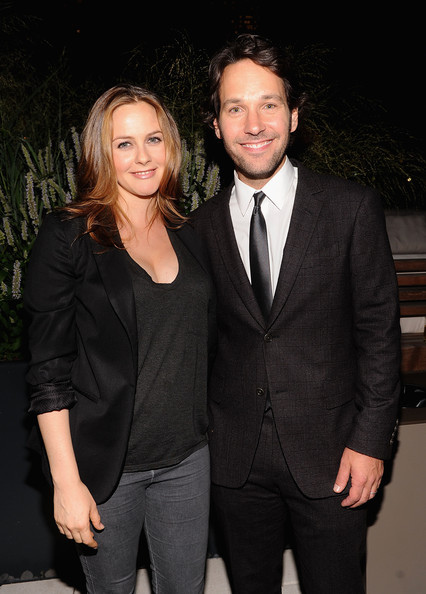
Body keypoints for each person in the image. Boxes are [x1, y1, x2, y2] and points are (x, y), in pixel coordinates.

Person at [191, 34, 401, 594]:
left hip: (334, 455)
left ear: (294, 115)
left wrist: (371, 440)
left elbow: (379, 336)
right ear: (216, 125)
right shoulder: (198, 228)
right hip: (234, 463)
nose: (254, 123)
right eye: (235, 107)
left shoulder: (351, 208)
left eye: (269, 104)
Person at [24, 84, 215, 594]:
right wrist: (67, 482)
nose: (142, 156)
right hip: (107, 468)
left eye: (153, 138)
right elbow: (47, 371)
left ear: (171, 145)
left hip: (187, 461)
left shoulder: (188, 231)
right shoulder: (69, 235)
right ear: (99, 153)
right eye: (123, 143)